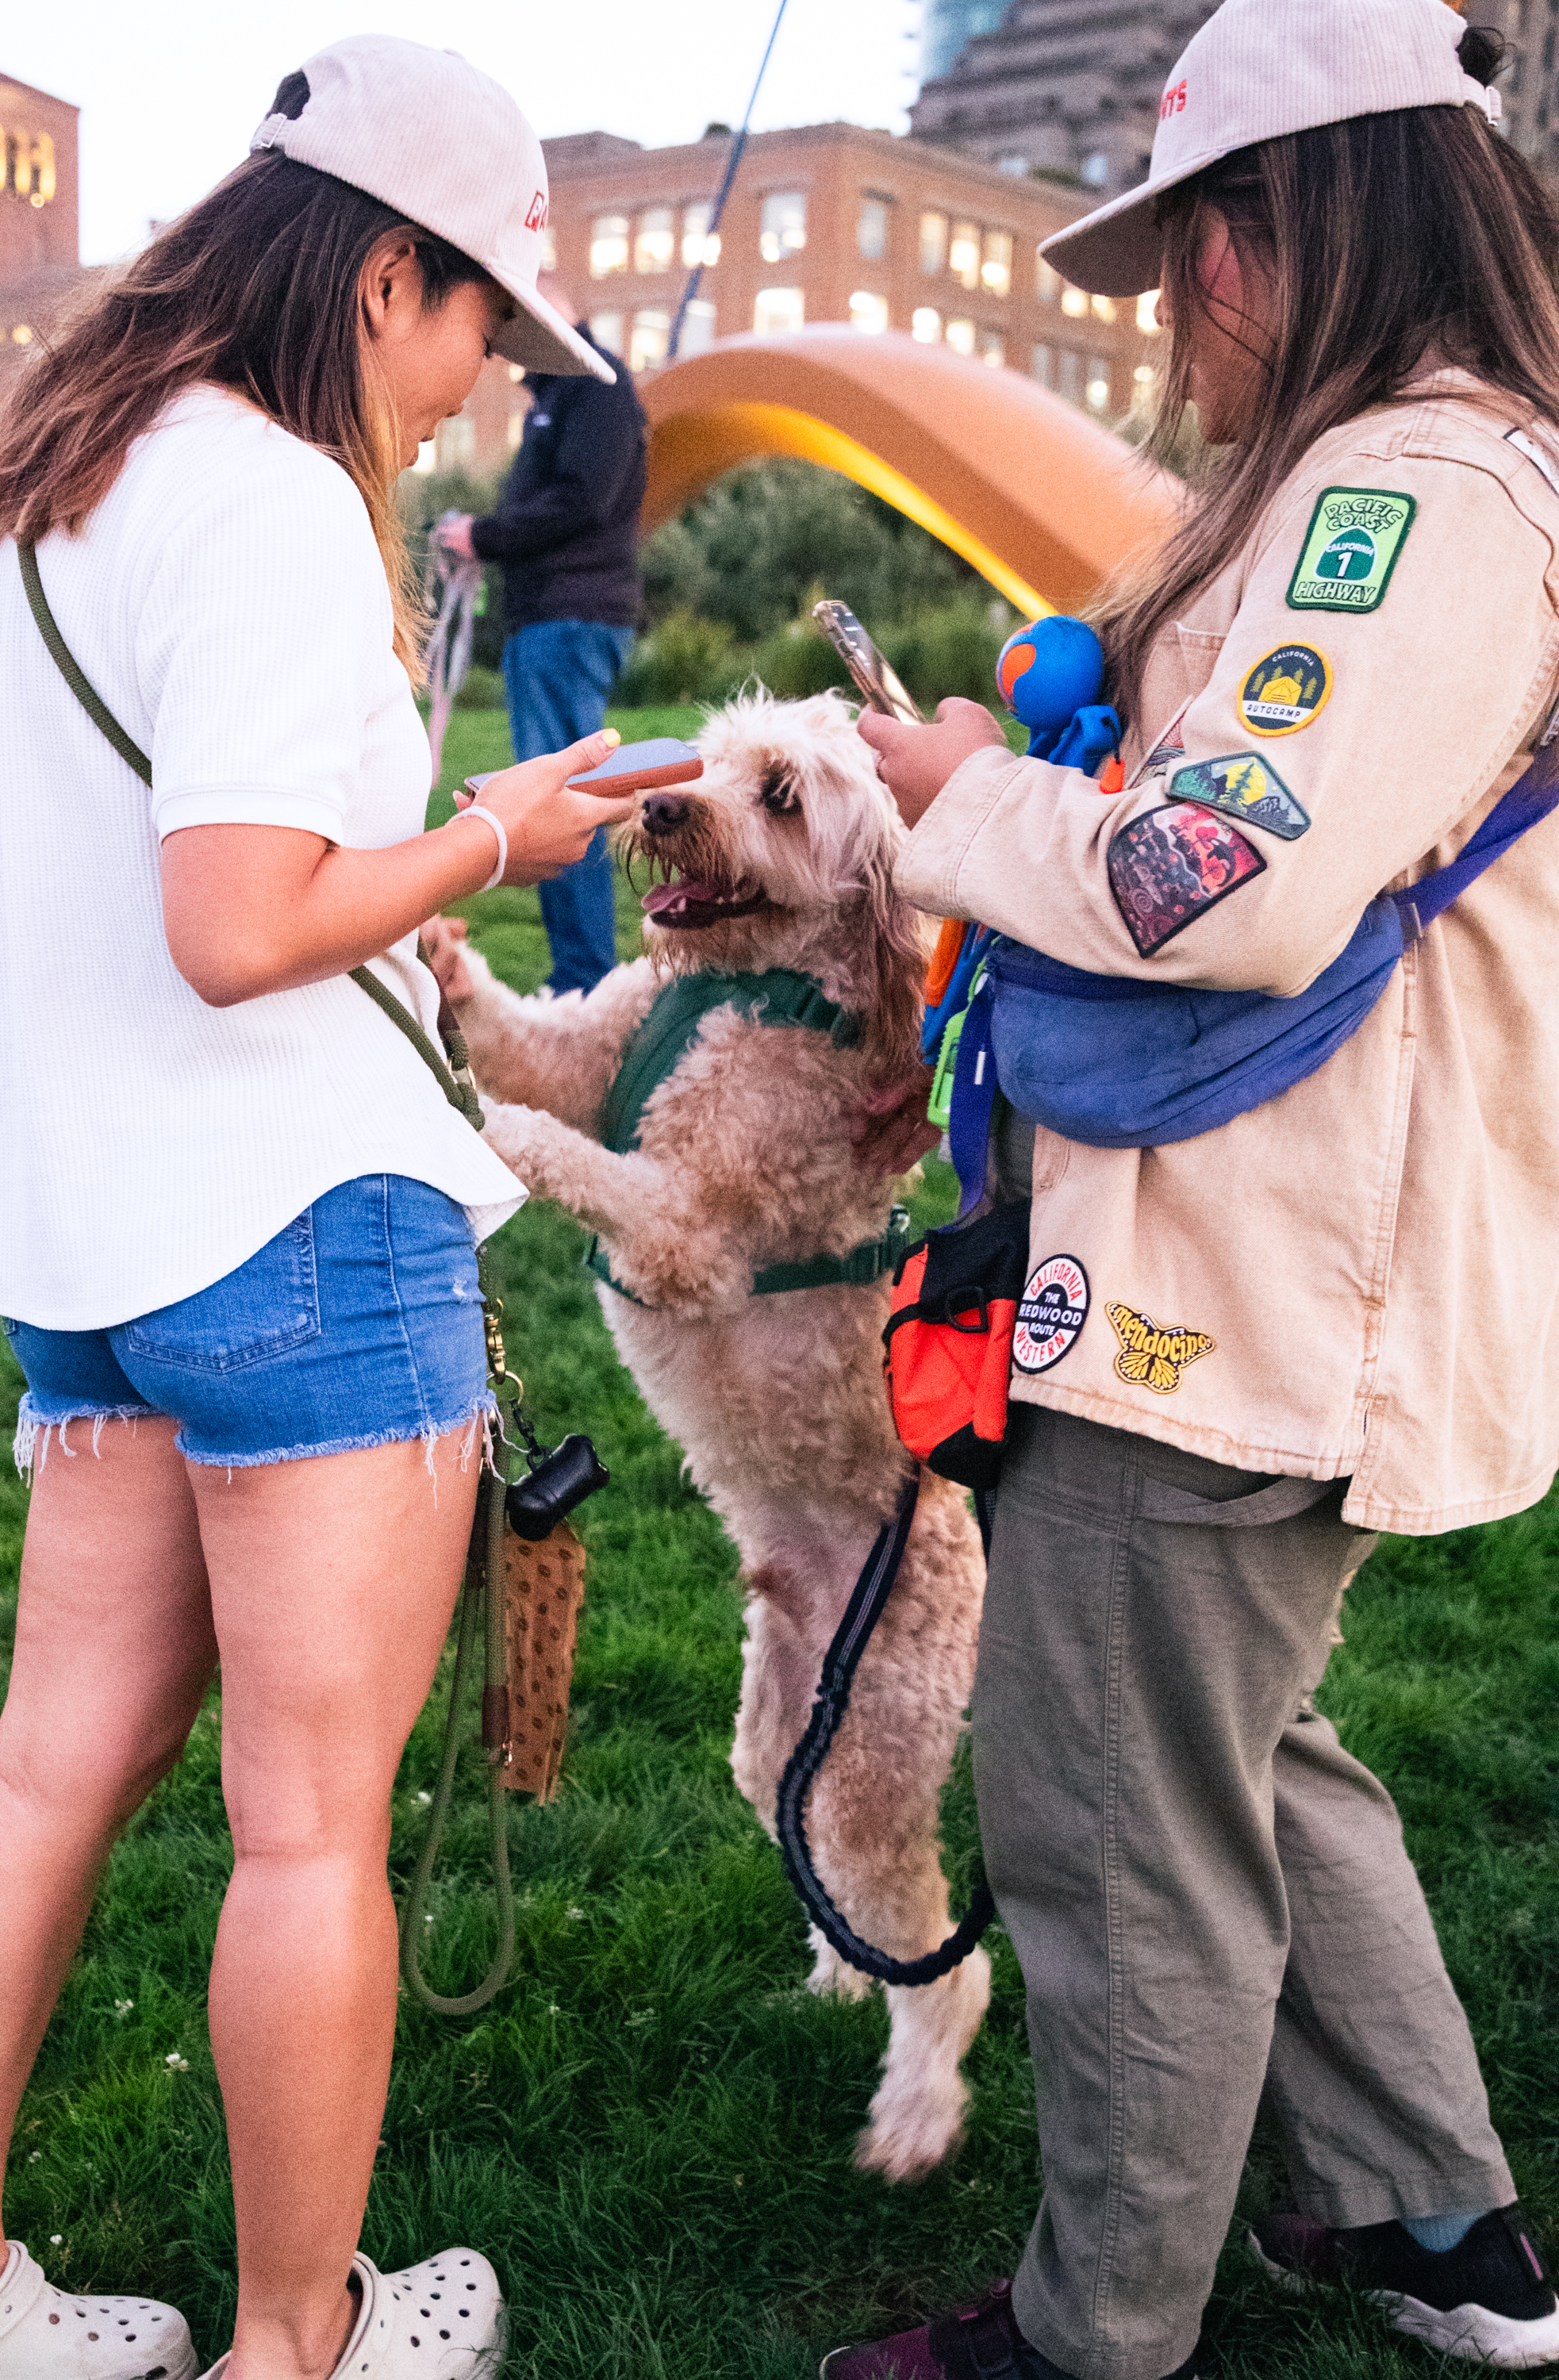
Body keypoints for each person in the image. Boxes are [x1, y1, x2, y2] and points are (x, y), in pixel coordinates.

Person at [834, 1, 1559, 2375]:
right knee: (1245, 1752)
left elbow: (1207, 884)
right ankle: (1420, 2221)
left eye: (1191, 254)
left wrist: (954, 787)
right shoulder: (1433, 479)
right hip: (1263, 1265)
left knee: (1107, 1823)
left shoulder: (1405, 501)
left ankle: (1093, 2330)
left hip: (1235, 1292)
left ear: (1293, 222)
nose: (1169, 316)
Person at [0, 38, 639, 2380]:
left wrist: (418, 859)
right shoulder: (265, 496)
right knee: (301, 1830)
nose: (476, 389)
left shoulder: (43, 475)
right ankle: (301, 2344)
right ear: (384, 279)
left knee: (47, 1769)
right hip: (296, 1220)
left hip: (94, 1238)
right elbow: (243, 920)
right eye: (478, 327)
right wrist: (500, 840)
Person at [436, 284, 647, 996]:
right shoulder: (558, 397)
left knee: (562, 799)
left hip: (570, 618)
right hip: (552, 620)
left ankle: (584, 983)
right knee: (553, 792)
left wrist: (482, 536)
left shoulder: (596, 389)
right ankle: (576, 977)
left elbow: (582, 500)